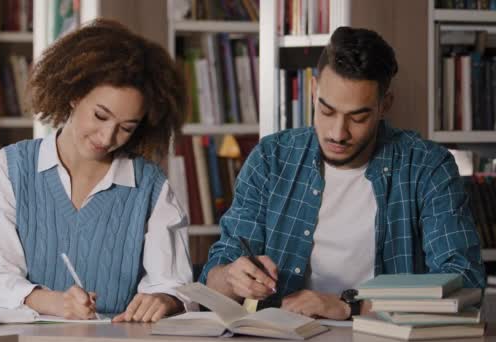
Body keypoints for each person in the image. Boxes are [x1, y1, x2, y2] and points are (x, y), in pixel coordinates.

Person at [200, 26, 485, 320]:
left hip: (384, 337)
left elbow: (466, 282)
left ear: (384, 105)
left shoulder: (427, 166)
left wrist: (350, 306)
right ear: (313, 92)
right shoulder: (271, 159)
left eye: (358, 117)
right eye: (326, 111)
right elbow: (214, 277)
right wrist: (232, 277)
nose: (338, 133)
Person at [0, 18, 192, 323]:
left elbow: (173, 285)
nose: (107, 138)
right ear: (75, 95)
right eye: (100, 116)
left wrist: (164, 300)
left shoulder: (151, 187)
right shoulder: (7, 170)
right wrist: (55, 302)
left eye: (125, 128)